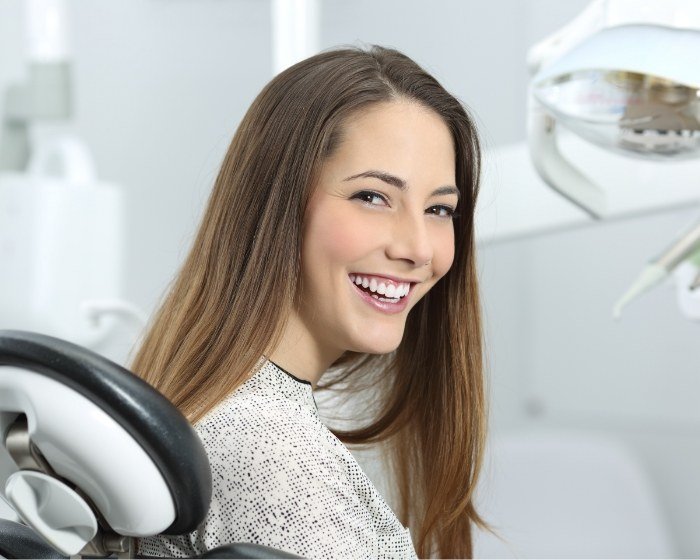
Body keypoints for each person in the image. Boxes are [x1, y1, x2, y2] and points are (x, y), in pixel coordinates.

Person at [132, 45, 491, 559]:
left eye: (439, 209)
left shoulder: (229, 411)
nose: (417, 248)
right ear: (277, 206)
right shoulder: (276, 454)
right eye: (372, 197)